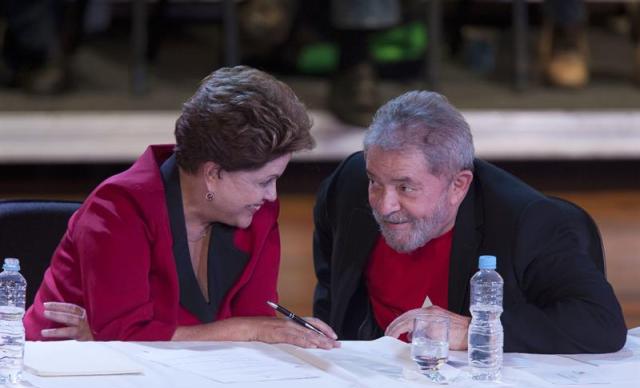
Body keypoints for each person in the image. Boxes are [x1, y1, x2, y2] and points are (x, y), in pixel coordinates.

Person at [24, 65, 339, 349]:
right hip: (65, 370)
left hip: (180, 374)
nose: (271, 195)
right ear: (213, 173)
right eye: (263, 181)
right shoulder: (119, 209)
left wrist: (256, 330)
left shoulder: (256, 212)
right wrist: (245, 329)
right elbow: (123, 336)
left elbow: (255, 326)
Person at [312, 90, 627, 354]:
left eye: (405, 187)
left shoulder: (530, 223)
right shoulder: (347, 184)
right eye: (375, 182)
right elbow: (331, 287)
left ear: (457, 185)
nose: (384, 205)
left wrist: (477, 331)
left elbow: (601, 323)